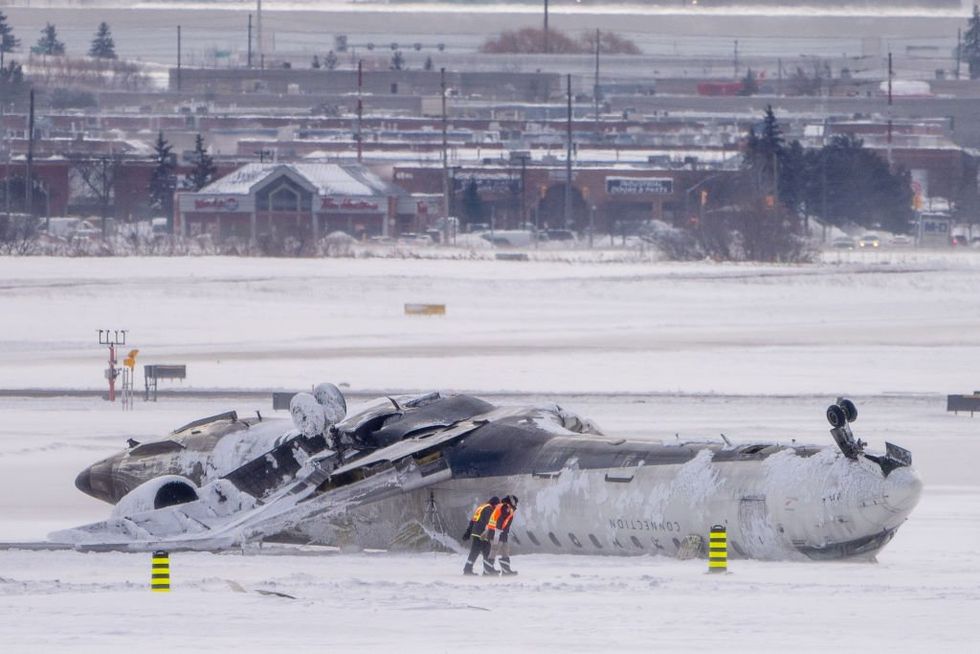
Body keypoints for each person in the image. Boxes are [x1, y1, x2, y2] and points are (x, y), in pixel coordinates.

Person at [462, 496, 499, 576]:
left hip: (478, 533)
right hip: (482, 534)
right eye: (497, 505)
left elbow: (472, 521)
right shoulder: (488, 509)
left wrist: (468, 532)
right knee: (475, 552)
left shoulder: (481, 507)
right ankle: (467, 570)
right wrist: (492, 536)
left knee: (486, 552)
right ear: (494, 504)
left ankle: (488, 570)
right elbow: (490, 524)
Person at [486, 495, 519, 576]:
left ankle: (506, 570)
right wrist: (497, 533)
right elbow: (500, 520)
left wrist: (506, 533)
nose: (516, 504)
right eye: (515, 502)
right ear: (512, 501)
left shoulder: (507, 508)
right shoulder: (505, 507)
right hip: (496, 532)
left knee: (505, 550)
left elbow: (505, 522)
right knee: (494, 550)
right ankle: (488, 570)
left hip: (502, 533)